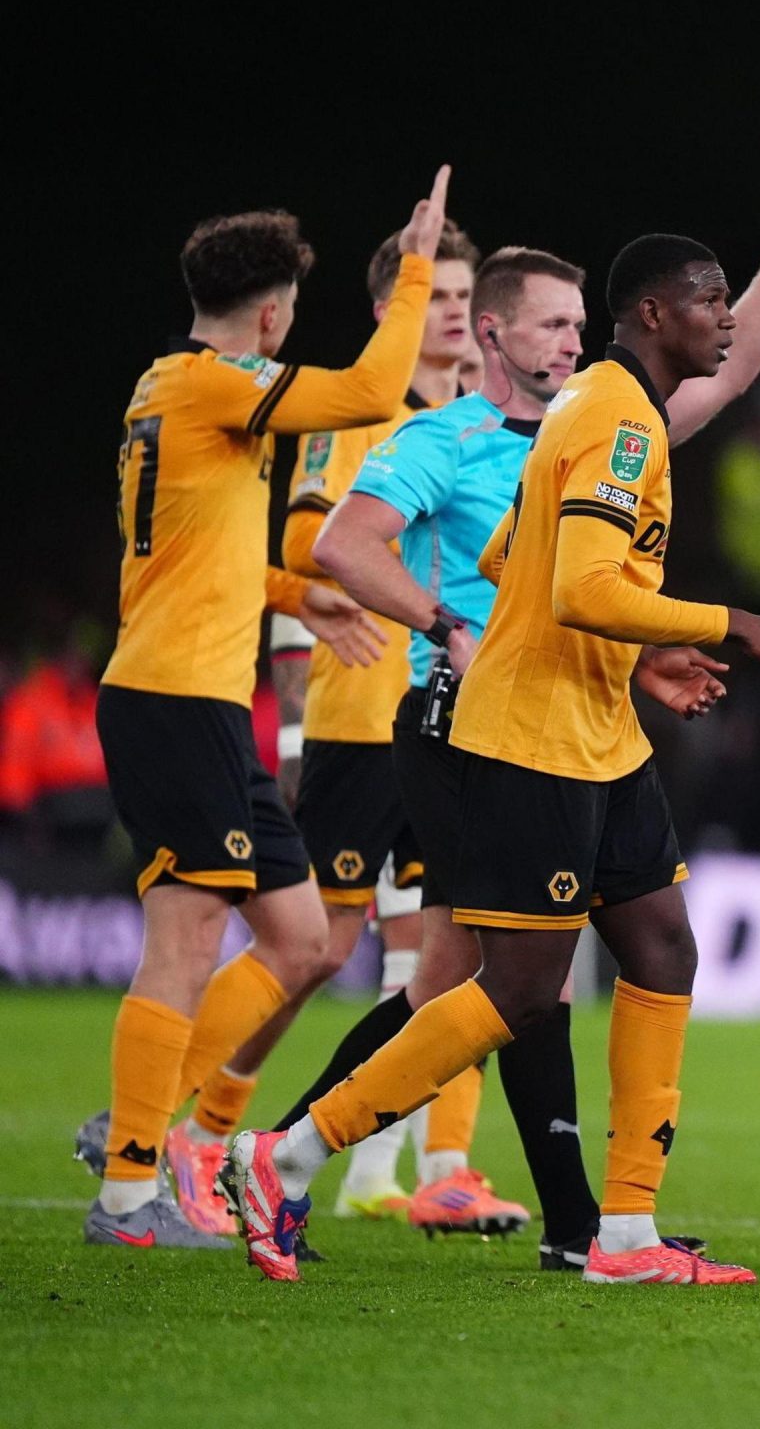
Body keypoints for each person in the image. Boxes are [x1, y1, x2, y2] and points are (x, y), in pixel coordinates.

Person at [222, 232, 760, 1286]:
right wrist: (729, 622)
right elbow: (580, 588)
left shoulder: (589, 405)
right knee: (520, 992)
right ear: (654, 316)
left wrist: (642, 655)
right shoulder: (618, 420)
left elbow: (509, 555)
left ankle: (623, 1234)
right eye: (710, 299)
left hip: (598, 729)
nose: (725, 318)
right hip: (532, 737)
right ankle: (287, 1155)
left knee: (663, 948)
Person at [78, 170, 446, 1250]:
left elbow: (192, 555)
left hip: (196, 697)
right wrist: (416, 269)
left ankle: (134, 1122)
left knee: (300, 938)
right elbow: (372, 391)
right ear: (274, 316)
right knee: (188, 938)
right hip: (169, 698)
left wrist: (297, 595)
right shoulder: (213, 386)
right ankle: (129, 1191)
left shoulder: (164, 386)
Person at [199, 222, 488, 1237]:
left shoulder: (489, 427)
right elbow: (300, 543)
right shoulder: (361, 415)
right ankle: (206, 1128)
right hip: (364, 717)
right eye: (437, 295)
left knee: (461, 953)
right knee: (318, 949)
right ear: (393, 308)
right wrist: (292, 734)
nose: (455, 314)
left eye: (466, 297)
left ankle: (435, 1167)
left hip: (459, 725)